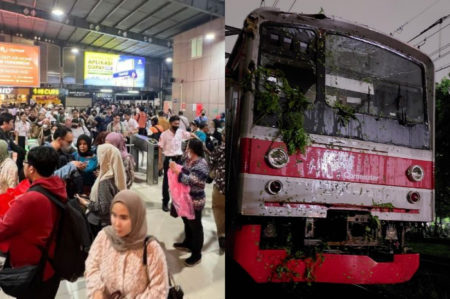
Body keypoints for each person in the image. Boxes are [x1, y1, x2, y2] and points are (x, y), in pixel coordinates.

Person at [0, 146, 66, 298]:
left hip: (33, 269)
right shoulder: (56, 186)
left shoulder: (31, 198)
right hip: (50, 263)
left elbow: (3, 230)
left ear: (31, 168)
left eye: (25, 162)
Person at [85, 190, 169, 298]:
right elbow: (92, 265)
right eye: (114, 215)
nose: (116, 223)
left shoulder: (151, 249)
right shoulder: (105, 236)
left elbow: (159, 289)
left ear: (137, 218)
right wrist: (97, 290)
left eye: (124, 217)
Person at [169, 138, 209, 266]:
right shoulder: (189, 159)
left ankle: (196, 253)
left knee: (196, 226)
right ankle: (188, 243)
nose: (186, 150)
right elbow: (185, 170)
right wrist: (177, 167)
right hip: (185, 199)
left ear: (193, 149)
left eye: (188, 148)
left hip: (195, 200)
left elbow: (192, 180)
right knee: (186, 221)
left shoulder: (202, 164)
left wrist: (177, 172)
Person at [77, 143, 127, 237]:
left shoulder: (105, 181)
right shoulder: (115, 175)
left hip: (100, 223)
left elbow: (103, 208)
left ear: (105, 158)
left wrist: (86, 203)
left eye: (100, 155)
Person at [158, 116, 193, 212]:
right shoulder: (164, 135)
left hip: (179, 160)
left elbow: (190, 135)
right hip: (169, 160)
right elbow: (160, 148)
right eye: (175, 124)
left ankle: (176, 203)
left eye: (178, 124)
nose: (177, 126)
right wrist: (160, 162)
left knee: (179, 181)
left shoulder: (180, 132)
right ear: (170, 123)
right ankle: (165, 202)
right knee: (167, 182)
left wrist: (200, 140)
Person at [209, 130, 226, 251]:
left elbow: (211, 162)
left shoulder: (219, 149)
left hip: (221, 185)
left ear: (223, 136)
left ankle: (222, 235)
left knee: (219, 208)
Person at [0, 113, 26, 181]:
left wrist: (24, 152)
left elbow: (13, 146)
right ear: (5, 123)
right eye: (12, 122)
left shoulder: (6, 133)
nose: (13, 124)